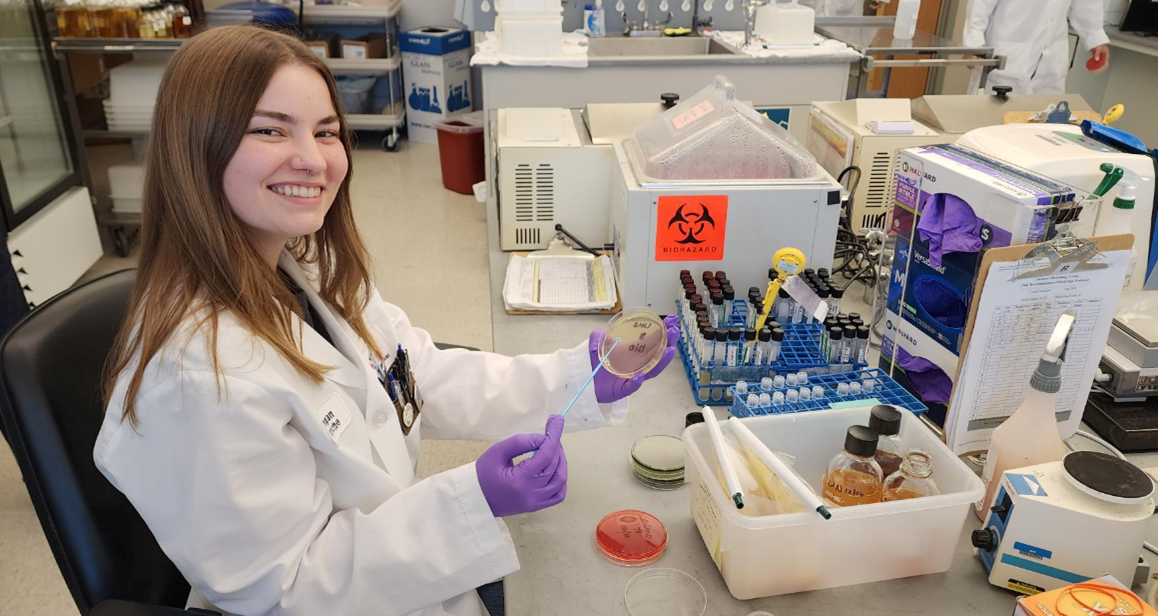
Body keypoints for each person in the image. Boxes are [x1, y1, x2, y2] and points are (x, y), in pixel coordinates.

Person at [94, 26, 677, 616]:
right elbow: (286, 589)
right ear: (195, 145)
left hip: (406, 577)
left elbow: (413, 375)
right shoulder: (196, 377)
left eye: (326, 132)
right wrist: (472, 502)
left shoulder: (304, 265)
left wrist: (577, 375)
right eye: (270, 130)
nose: (313, 158)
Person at [964, 0, 1110, 94]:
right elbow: (980, 3)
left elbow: (1087, 3)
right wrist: (973, 45)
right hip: (1007, 57)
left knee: (1044, 128)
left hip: (1051, 61)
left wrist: (1095, 37)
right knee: (990, 126)